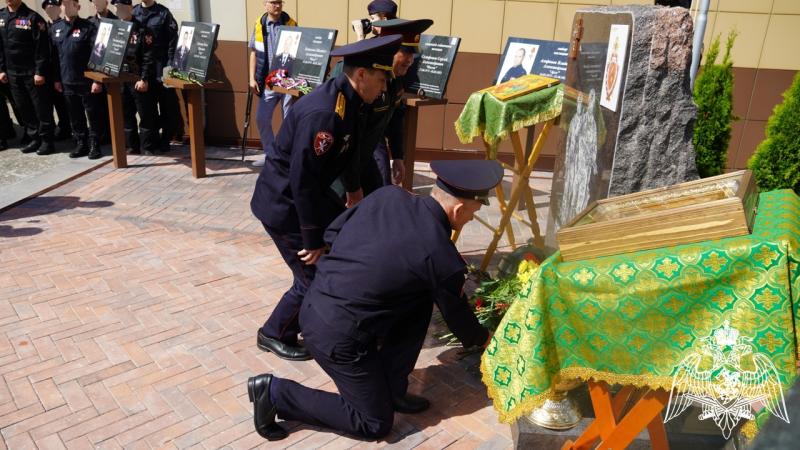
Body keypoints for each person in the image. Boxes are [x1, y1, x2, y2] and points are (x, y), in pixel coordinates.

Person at [247, 159, 502, 441]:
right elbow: (460, 320)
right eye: (473, 212)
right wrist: (487, 339)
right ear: (459, 208)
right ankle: (275, 393)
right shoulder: (440, 256)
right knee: (374, 423)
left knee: (419, 300)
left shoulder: (389, 194)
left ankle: (392, 390)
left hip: (317, 304)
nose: (470, 218)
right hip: (338, 338)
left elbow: (333, 232)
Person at [249, 35, 402, 363]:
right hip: (284, 205)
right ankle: (274, 332)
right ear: (361, 74)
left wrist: (354, 190)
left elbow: (350, 153)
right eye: (380, 79)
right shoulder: (325, 115)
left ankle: (327, 325)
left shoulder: (351, 102)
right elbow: (301, 181)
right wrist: (313, 240)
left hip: (310, 198)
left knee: (337, 263)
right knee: (312, 277)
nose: (384, 87)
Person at [0, 0, 56, 156]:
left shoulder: (33, 18)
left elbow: (42, 49)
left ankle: (47, 141)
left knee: (41, 108)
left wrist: (40, 71)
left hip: (32, 73)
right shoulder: (1, 16)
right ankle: (34, 138)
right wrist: (1, 69)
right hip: (12, 73)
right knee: (23, 107)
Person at [50, 0, 104, 159]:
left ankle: (95, 143)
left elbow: (97, 54)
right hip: (67, 80)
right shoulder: (55, 29)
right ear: (60, 7)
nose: (67, 7)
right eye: (64, 4)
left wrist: (97, 80)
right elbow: (54, 57)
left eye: (70, 4)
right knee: (75, 115)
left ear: (78, 7)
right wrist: (56, 79)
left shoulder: (88, 27)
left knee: (93, 114)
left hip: (86, 80)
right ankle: (81, 142)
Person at [249, 0, 297, 168]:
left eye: (279, 2)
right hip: (268, 82)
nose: (277, 6)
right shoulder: (259, 25)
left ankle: (286, 156)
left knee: (289, 121)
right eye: (273, 2)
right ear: (265, 4)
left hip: (287, 82)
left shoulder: (291, 24)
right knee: (261, 118)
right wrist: (251, 78)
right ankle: (270, 154)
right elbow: (254, 53)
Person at [132, 0, 178, 153]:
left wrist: (170, 67)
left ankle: (165, 140)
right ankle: (151, 141)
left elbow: (172, 42)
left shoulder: (163, 13)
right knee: (146, 109)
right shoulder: (133, 13)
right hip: (143, 70)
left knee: (167, 106)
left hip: (162, 67)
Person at [111, 0, 155, 155]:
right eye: (116, 8)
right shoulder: (114, 29)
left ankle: (147, 147)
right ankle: (131, 146)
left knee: (145, 114)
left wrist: (144, 78)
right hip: (120, 79)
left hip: (137, 78)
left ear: (130, 8)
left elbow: (148, 57)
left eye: (122, 7)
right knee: (126, 115)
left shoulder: (143, 29)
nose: (119, 10)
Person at [42, 0, 72, 142]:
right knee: (49, 103)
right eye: (48, 8)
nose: (51, 10)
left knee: (63, 103)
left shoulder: (64, 25)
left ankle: (67, 127)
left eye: (54, 7)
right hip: (46, 72)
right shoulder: (42, 26)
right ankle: (57, 127)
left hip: (60, 71)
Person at [88, 0, 117, 145]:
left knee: (117, 109)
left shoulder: (117, 22)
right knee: (98, 108)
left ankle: (118, 138)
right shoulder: (89, 23)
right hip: (96, 74)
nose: (96, 3)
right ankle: (104, 137)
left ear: (106, 2)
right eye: (94, 1)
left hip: (114, 73)